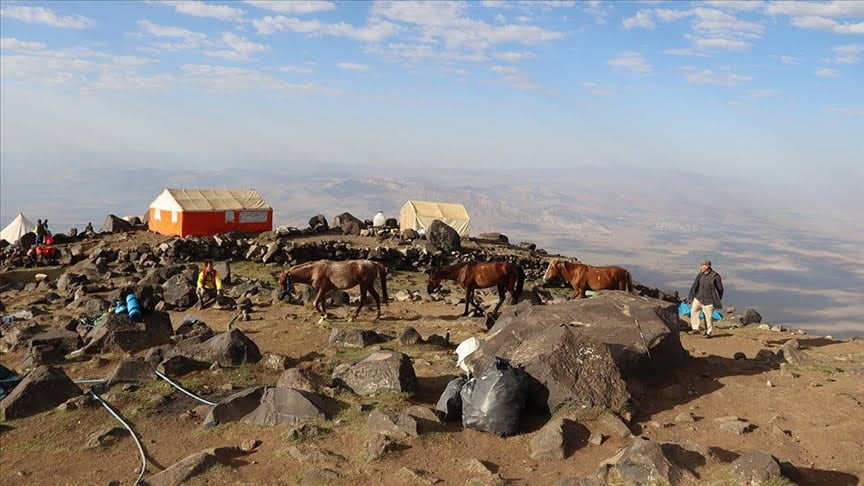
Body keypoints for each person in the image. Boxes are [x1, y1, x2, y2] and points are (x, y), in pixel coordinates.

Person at [687, 259, 724, 338]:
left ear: (707, 266)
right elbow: (695, 285)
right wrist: (692, 296)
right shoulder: (700, 274)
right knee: (694, 312)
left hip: (709, 300)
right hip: (698, 298)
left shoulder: (715, 276)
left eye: (702, 266)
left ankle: (708, 332)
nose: (700, 267)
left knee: (708, 317)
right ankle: (695, 329)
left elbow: (720, 289)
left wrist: (717, 300)